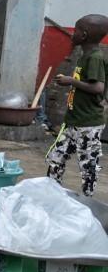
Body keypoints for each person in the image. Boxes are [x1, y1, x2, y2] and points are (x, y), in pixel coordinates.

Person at [46, 14, 108, 196]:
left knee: (88, 165)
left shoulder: (94, 58)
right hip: (72, 121)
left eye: (77, 29)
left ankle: (88, 202)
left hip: (88, 124)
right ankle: (50, 194)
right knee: (55, 158)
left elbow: (98, 87)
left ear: (84, 35)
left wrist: (71, 81)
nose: (74, 33)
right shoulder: (85, 55)